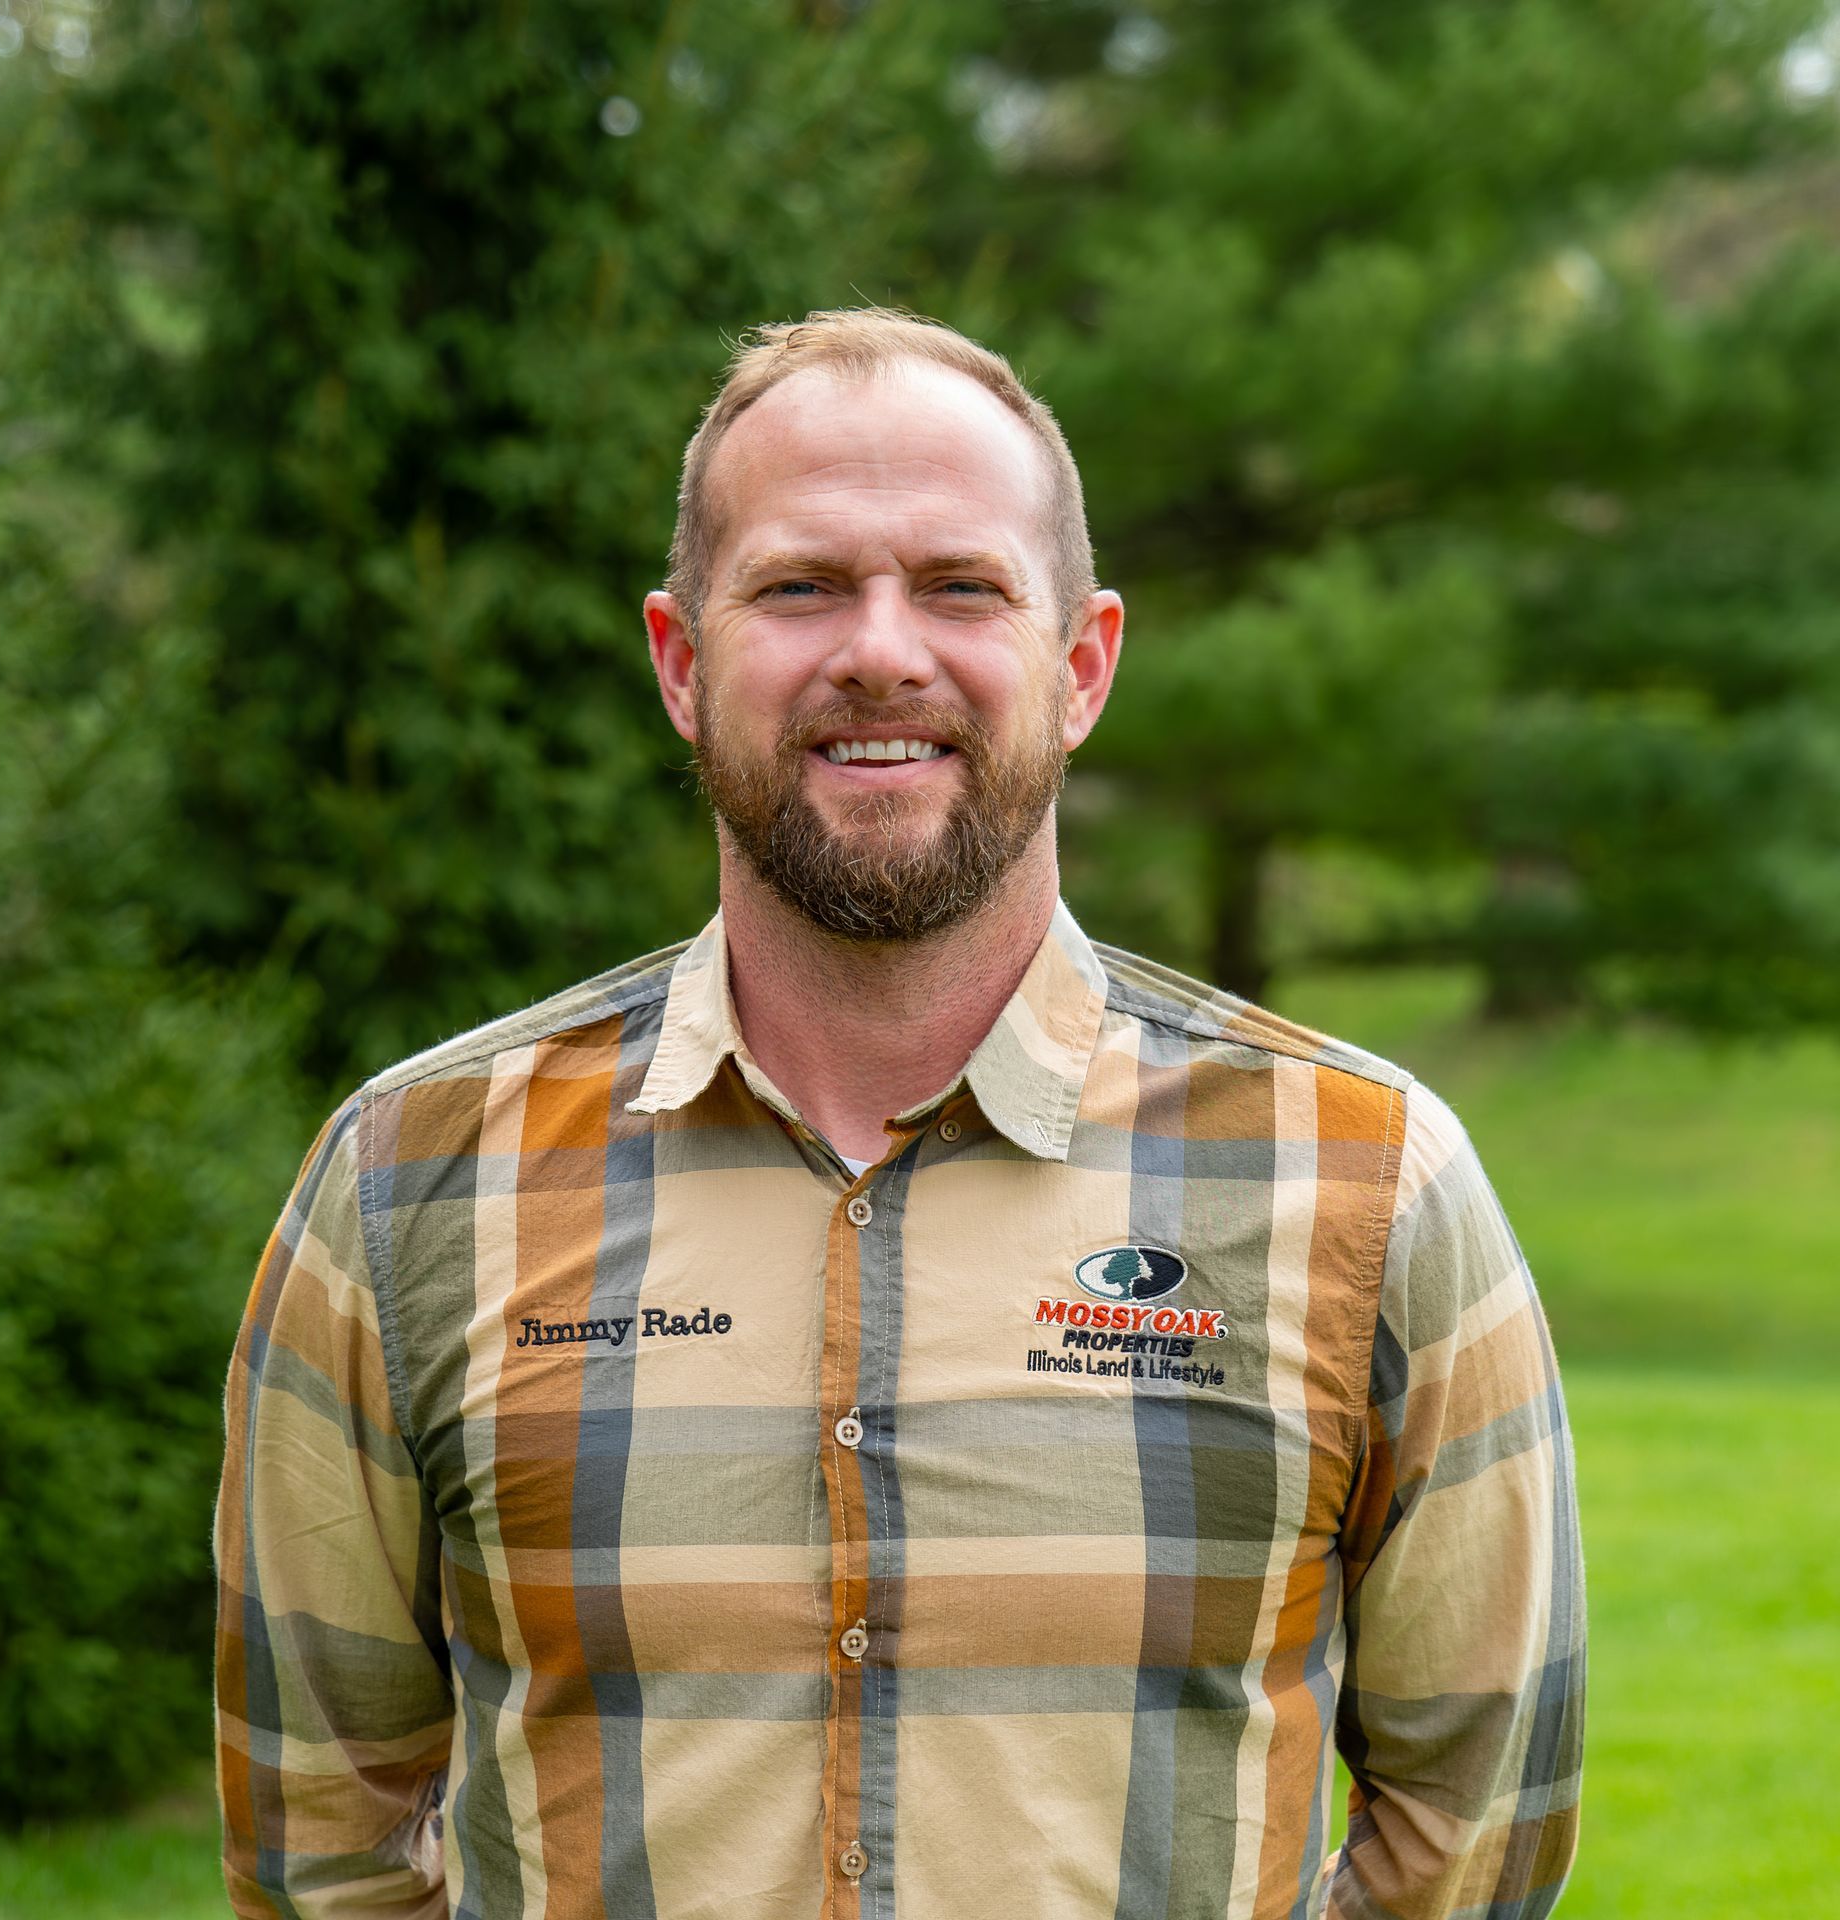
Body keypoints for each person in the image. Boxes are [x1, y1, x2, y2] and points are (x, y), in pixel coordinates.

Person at [215, 307, 1585, 1919]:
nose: (882, 648)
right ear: (681, 660)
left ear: (1082, 665)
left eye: (960, 585)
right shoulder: (406, 1187)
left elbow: (1472, 1842)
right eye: (800, 586)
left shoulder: (1372, 1185)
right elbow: (324, 1842)